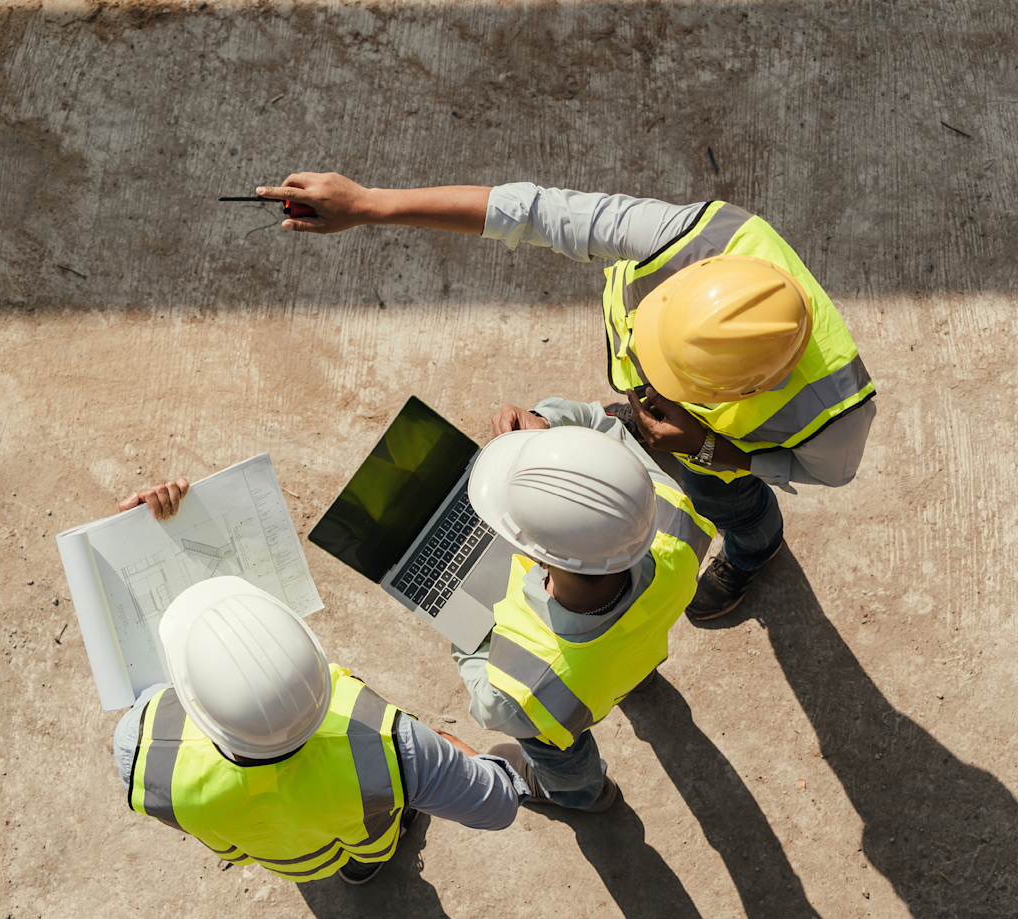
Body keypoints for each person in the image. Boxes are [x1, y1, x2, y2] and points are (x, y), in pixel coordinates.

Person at [254, 174, 876, 620]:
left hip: (718, 456)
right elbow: (533, 211)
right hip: (691, 433)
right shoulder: (692, 237)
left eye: (668, 380)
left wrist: (713, 451)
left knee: (732, 506)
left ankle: (755, 549)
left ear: (746, 387)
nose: (643, 383)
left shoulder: (836, 418)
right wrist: (370, 204)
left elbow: (824, 474)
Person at [110, 484, 528, 884]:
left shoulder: (140, 749)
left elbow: (150, 680)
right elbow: (498, 804)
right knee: (370, 846)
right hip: (365, 838)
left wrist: (141, 537)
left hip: (280, 856)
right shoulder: (395, 746)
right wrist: (438, 746)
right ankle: (364, 867)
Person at [451, 398, 716, 810]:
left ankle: (583, 794)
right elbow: (604, 430)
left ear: (534, 556)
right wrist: (548, 431)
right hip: (630, 652)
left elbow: (489, 706)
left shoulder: (524, 690)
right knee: (624, 662)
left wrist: (464, 635)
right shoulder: (672, 519)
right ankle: (636, 682)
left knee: (556, 750)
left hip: (567, 701)